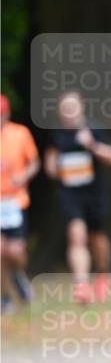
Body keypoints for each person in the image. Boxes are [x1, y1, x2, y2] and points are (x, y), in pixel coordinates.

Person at [44, 91, 111, 303]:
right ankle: (82, 285)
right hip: (70, 194)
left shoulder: (93, 129)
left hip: (94, 194)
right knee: (76, 235)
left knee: (97, 238)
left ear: (81, 107)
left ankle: (103, 273)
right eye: (64, 107)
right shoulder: (57, 134)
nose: (68, 111)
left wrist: (92, 145)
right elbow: (51, 161)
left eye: (72, 106)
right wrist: (51, 165)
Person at [1, 94, 40, 315]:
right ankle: (5, 298)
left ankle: (17, 275)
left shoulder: (20, 134)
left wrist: (22, 176)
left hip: (15, 201)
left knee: (14, 252)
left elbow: (34, 162)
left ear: (7, 114)